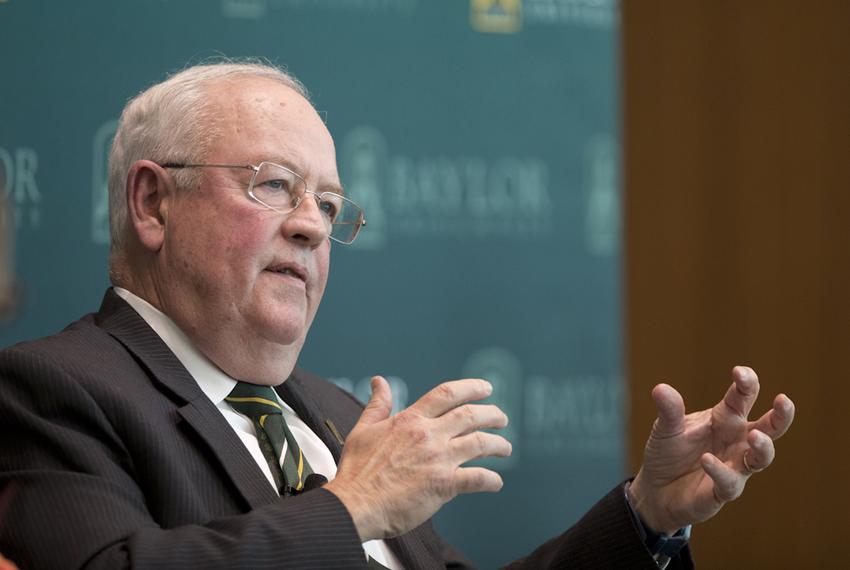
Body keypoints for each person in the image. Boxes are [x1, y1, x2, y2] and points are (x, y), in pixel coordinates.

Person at [0, 61, 795, 569]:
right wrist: (351, 510)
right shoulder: (56, 389)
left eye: (331, 203)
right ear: (152, 202)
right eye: (273, 184)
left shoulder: (339, 417)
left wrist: (646, 518)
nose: (313, 225)